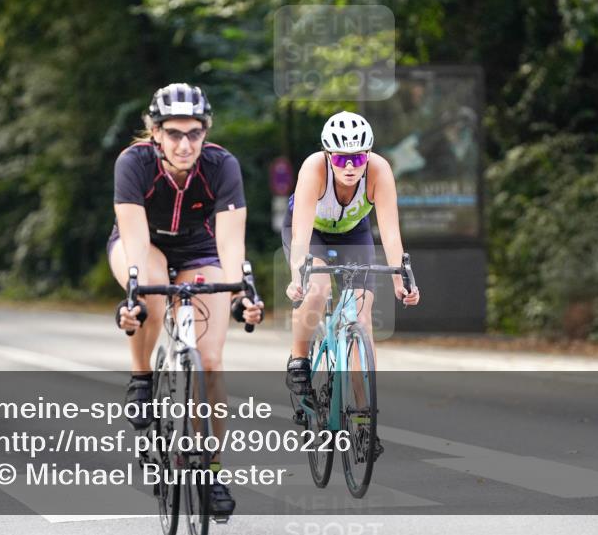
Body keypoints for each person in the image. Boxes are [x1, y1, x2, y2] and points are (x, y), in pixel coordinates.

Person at [109, 83, 263, 518]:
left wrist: (239, 294)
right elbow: (135, 241)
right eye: (173, 133)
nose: (184, 144)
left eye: (194, 133)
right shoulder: (133, 163)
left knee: (210, 361)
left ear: (205, 132)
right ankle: (141, 378)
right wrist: (134, 298)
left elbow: (230, 244)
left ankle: (211, 471)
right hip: (146, 246)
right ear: (155, 132)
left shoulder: (221, 165)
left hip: (200, 250)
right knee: (152, 292)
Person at [283, 111, 421, 395]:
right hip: (312, 233)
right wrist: (297, 277)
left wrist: (401, 281)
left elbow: (390, 233)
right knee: (317, 289)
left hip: (353, 233)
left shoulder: (379, 171)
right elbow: (301, 235)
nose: (349, 167)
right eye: (339, 159)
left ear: (368, 155)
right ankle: (299, 358)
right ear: (327, 155)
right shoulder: (313, 169)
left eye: (357, 159)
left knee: (360, 314)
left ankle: (362, 411)